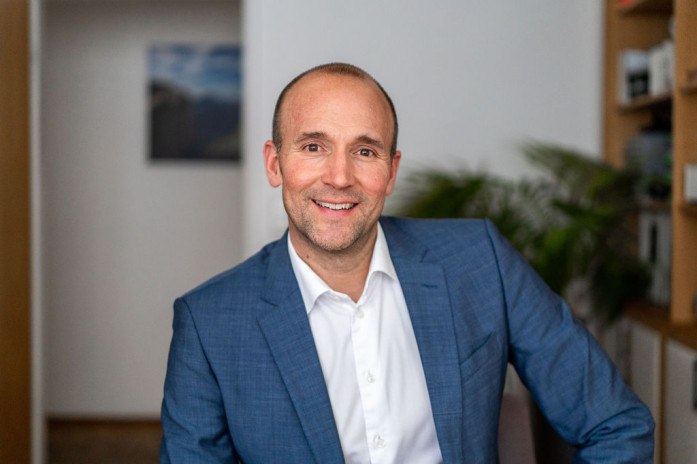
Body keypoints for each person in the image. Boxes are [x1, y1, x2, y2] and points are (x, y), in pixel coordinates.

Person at [160, 63, 654, 463]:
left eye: (365, 151)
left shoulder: (480, 261)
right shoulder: (209, 322)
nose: (339, 176)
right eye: (313, 147)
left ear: (391, 172)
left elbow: (617, 425)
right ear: (275, 163)